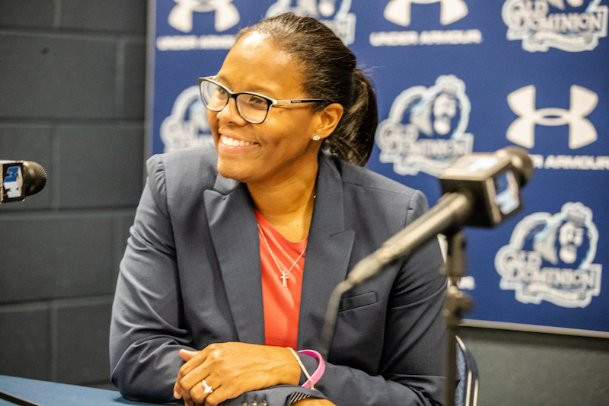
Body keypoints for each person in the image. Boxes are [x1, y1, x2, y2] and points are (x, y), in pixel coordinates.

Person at [110, 12, 446, 406]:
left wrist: (296, 367)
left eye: (257, 102)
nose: (227, 115)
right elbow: (138, 355)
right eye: (222, 91)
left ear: (324, 119)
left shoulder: (398, 217)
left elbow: (425, 396)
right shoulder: (175, 187)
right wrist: (290, 399)